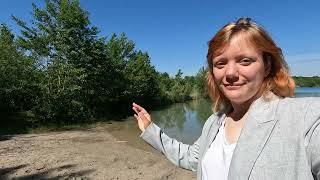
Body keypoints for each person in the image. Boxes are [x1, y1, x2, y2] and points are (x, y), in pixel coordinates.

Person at [132, 17, 320, 180]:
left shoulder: (305, 118)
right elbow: (190, 158)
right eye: (220, 63)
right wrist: (151, 130)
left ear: (267, 66)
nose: (230, 73)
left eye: (244, 60)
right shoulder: (214, 122)